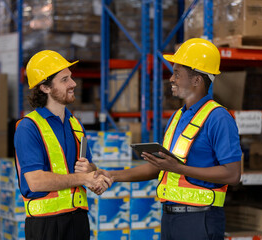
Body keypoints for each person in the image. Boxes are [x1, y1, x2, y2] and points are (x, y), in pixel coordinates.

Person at [77, 38, 242, 240]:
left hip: (201, 220)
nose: (171, 79)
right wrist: (111, 175)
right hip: (170, 218)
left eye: (177, 74)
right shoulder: (178, 117)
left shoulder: (219, 118)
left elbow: (233, 174)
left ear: (197, 80)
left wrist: (180, 168)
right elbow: (161, 167)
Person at [14, 50, 113, 240]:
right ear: (45, 88)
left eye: (71, 77)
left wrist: (93, 173)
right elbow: (36, 181)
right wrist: (83, 179)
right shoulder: (28, 127)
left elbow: (88, 168)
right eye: (65, 79)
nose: (73, 83)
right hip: (46, 226)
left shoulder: (75, 124)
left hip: (78, 221)